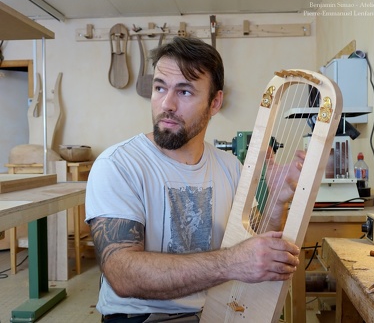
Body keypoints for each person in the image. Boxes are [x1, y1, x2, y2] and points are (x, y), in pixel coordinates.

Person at [85, 36, 305, 323]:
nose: (167, 103)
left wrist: (275, 203)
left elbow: (255, 254)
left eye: (185, 92)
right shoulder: (119, 164)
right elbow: (122, 274)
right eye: (160, 87)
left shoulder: (229, 167)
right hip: (142, 318)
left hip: (217, 313)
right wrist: (232, 263)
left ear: (215, 103)